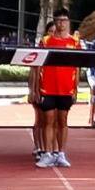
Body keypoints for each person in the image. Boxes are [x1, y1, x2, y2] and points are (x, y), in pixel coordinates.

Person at [30, 20, 80, 167]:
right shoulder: (45, 41)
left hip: (65, 89)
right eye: (59, 21)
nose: (61, 24)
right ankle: (47, 153)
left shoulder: (74, 42)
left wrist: (75, 88)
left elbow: (77, 67)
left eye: (64, 21)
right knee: (48, 120)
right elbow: (37, 66)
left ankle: (61, 154)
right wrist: (35, 89)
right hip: (48, 88)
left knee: (62, 121)